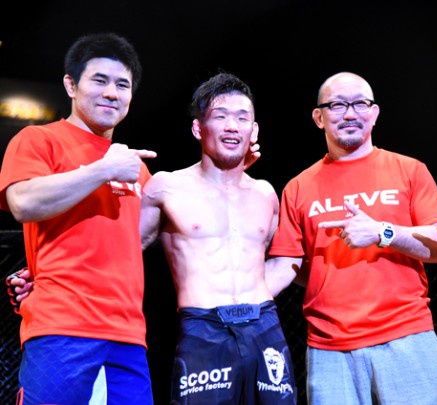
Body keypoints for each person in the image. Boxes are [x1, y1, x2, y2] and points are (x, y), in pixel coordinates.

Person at [265, 71, 437, 404]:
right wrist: (236, 298)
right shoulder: (298, 188)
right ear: (319, 118)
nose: (350, 114)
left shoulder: (409, 170)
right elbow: (287, 266)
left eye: (359, 104)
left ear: (375, 113)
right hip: (329, 350)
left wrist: (382, 232)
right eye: (337, 105)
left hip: (407, 338)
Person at [0, 32, 156, 404]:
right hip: (62, 326)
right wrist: (103, 170)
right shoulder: (38, 140)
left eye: (122, 85)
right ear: (71, 85)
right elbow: (22, 202)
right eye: (99, 81)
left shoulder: (135, 167)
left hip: (128, 335)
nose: (111, 93)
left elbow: (137, 239)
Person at [139, 72, 297, 404]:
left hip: (265, 325)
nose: (232, 126)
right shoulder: (167, 187)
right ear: (198, 128)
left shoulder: (265, 193)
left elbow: (287, 256)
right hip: (203, 328)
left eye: (242, 117)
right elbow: (124, 249)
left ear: (254, 130)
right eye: (220, 116)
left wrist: (259, 293)